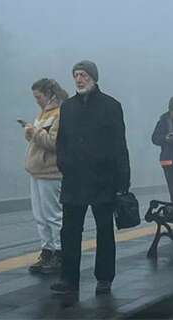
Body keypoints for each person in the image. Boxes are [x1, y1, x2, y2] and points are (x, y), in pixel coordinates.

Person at [52, 60, 131, 298]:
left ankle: (104, 278)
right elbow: (61, 141)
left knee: (104, 231)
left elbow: (120, 146)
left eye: (83, 75)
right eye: (75, 75)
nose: (78, 79)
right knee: (70, 231)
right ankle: (69, 279)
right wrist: (63, 164)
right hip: (74, 180)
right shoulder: (67, 107)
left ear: (94, 78)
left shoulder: (111, 106)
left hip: (103, 180)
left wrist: (123, 181)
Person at [24, 78, 67, 275]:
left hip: (50, 172)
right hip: (37, 170)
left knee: (53, 214)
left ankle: (60, 252)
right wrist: (31, 133)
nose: (37, 101)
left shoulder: (60, 113)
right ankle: (47, 250)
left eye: (38, 97)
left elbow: (53, 143)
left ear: (49, 94)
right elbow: (41, 138)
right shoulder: (44, 113)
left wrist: (33, 132)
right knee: (40, 215)